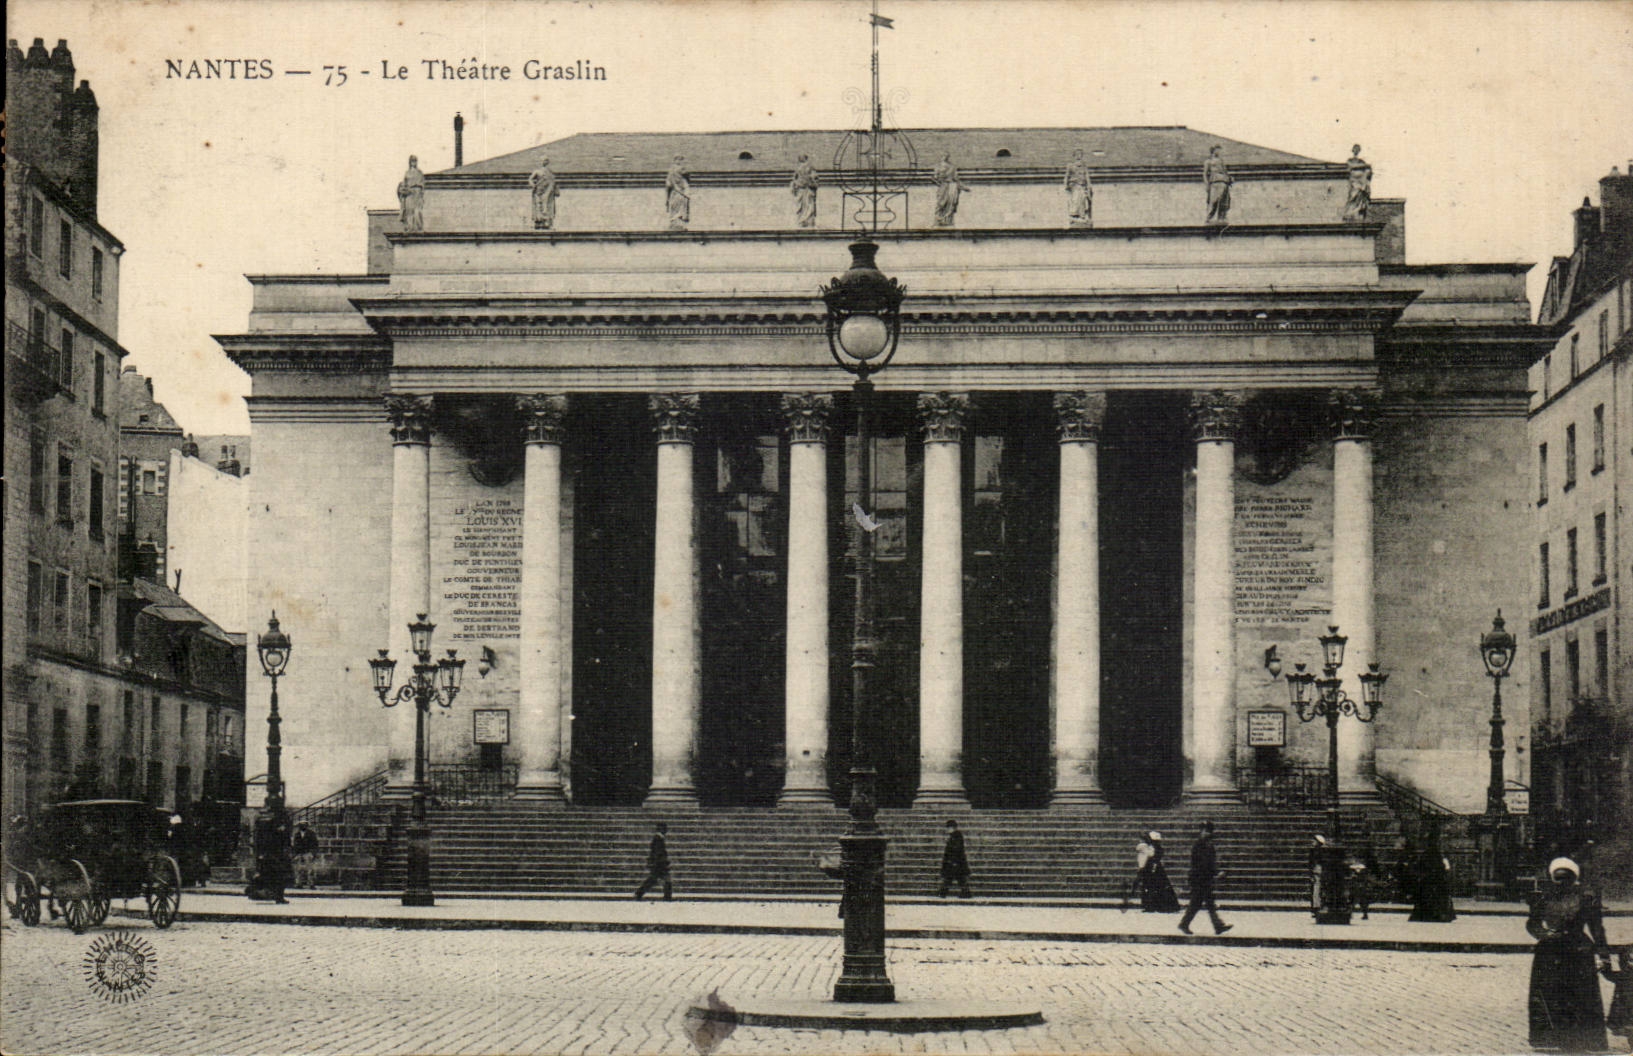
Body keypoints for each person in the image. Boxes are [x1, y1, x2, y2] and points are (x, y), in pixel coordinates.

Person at [1526, 858, 1611, 1052]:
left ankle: (1585, 1039)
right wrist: (1543, 934)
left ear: (1574, 879)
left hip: (1577, 951)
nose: (1562, 882)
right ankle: (1549, 1038)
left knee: (1581, 996)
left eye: (1566, 878)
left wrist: (1603, 955)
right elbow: (1532, 923)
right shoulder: (1543, 898)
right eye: (1558, 878)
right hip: (1550, 951)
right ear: (1553, 878)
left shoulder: (1585, 899)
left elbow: (1597, 929)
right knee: (1550, 994)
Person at [1178, 820, 1232, 935]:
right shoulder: (1199, 845)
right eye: (1205, 831)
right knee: (1199, 903)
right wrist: (1216, 873)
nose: (1207, 833)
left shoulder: (1208, 845)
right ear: (1201, 831)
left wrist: (1215, 872)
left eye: (1209, 831)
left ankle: (1217, 926)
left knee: (1206, 903)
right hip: (1199, 878)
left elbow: (1210, 863)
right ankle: (1185, 924)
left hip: (1204, 878)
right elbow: (1203, 864)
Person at [1407, 827, 1456, 922]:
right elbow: (1439, 867)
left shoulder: (1429, 853)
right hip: (1434, 881)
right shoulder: (1434, 853)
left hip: (1429, 881)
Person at [1137, 832, 1180, 913]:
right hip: (1156, 869)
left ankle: (1152, 905)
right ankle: (1158, 905)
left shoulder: (1153, 848)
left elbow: (1151, 858)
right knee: (1158, 887)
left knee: (1151, 887)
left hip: (1153, 868)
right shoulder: (1157, 848)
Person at [634, 822, 672, 900]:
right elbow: (658, 853)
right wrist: (664, 862)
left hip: (658, 864)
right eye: (665, 829)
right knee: (664, 880)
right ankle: (667, 897)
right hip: (660, 864)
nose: (666, 831)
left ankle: (639, 893)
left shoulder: (658, 838)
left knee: (653, 880)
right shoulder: (658, 839)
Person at [932, 153, 968, 228]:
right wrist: (938, 181)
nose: (945, 157)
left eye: (946, 156)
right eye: (943, 155)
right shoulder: (938, 166)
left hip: (951, 186)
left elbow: (956, 178)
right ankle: (938, 218)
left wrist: (963, 187)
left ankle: (948, 220)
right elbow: (935, 178)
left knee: (950, 203)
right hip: (943, 186)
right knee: (941, 202)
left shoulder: (952, 167)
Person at [938, 819, 971, 898]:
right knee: (958, 878)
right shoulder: (955, 836)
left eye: (948, 828)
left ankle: (943, 893)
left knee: (951, 878)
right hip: (956, 861)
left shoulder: (956, 836)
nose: (947, 830)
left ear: (953, 828)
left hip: (955, 862)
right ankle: (965, 892)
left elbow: (956, 849)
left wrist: (953, 860)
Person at [1063, 149, 1093, 227]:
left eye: (1080, 154)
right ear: (1074, 156)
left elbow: (1087, 177)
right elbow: (1067, 176)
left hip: (1082, 186)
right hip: (1074, 186)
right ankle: (1075, 215)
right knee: (1075, 199)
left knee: (1083, 198)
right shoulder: (1070, 166)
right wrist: (1066, 185)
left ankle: (1082, 215)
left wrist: (1089, 186)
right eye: (1077, 154)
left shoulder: (1084, 166)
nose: (1078, 156)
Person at [529, 155, 560, 230]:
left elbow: (554, 182)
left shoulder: (551, 173)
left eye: (545, 160)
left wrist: (556, 189)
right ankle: (539, 220)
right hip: (539, 191)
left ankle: (547, 220)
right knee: (540, 205)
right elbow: (530, 179)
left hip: (548, 191)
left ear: (548, 162)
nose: (544, 162)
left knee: (547, 205)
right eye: (542, 160)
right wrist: (533, 185)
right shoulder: (537, 171)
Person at [1342, 144, 1372, 221]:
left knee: (1359, 194)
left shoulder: (1361, 161)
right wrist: (1362, 166)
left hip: (1360, 181)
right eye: (1355, 149)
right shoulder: (1350, 160)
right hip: (1354, 180)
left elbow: (1367, 169)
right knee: (1353, 195)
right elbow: (1350, 166)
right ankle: (1351, 211)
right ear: (1352, 150)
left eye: (1357, 149)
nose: (1356, 150)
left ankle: (1357, 210)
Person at [1204, 145, 1233, 224]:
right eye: (1218, 150)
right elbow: (1205, 174)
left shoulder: (1221, 161)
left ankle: (1221, 217)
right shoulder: (1208, 161)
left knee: (1223, 199)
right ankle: (1210, 217)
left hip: (1223, 181)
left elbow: (1225, 172)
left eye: (1220, 150)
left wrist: (1229, 179)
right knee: (1214, 200)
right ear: (1213, 151)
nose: (1219, 152)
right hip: (1214, 181)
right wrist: (1207, 184)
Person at [397, 155, 425, 233]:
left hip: (417, 192)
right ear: (410, 162)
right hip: (409, 193)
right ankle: (409, 228)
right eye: (412, 161)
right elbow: (403, 184)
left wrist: (420, 193)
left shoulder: (419, 172)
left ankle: (418, 228)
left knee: (417, 211)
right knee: (409, 211)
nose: (414, 162)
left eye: (415, 161)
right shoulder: (407, 173)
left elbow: (422, 185)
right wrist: (405, 190)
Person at [789, 153, 818, 228]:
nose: (800, 159)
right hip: (802, 189)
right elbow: (794, 179)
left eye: (801, 158)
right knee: (803, 205)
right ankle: (802, 221)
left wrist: (810, 181)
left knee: (807, 205)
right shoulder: (799, 168)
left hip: (807, 189)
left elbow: (814, 177)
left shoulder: (809, 167)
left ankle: (806, 221)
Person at [291, 822, 321, 888]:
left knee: (310, 869)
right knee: (298, 869)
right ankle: (298, 883)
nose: (302, 826)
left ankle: (311, 884)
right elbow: (295, 844)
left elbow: (315, 844)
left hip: (308, 853)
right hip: (299, 853)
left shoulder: (311, 834)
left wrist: (312, 853)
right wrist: (295, 854)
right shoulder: (297, 834)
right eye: (301, 825)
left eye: (304, 825)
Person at [665, 156, 691, 230]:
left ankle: (678, 219)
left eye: (680, 160)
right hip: (676, 192)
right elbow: (669, 183)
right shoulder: (672, 171)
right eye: (678, 160)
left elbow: (686, 174)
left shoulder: (681, 174)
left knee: (681, 203)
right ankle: (675, 219)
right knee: (676, 203)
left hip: (680, 192)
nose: (679, 161)